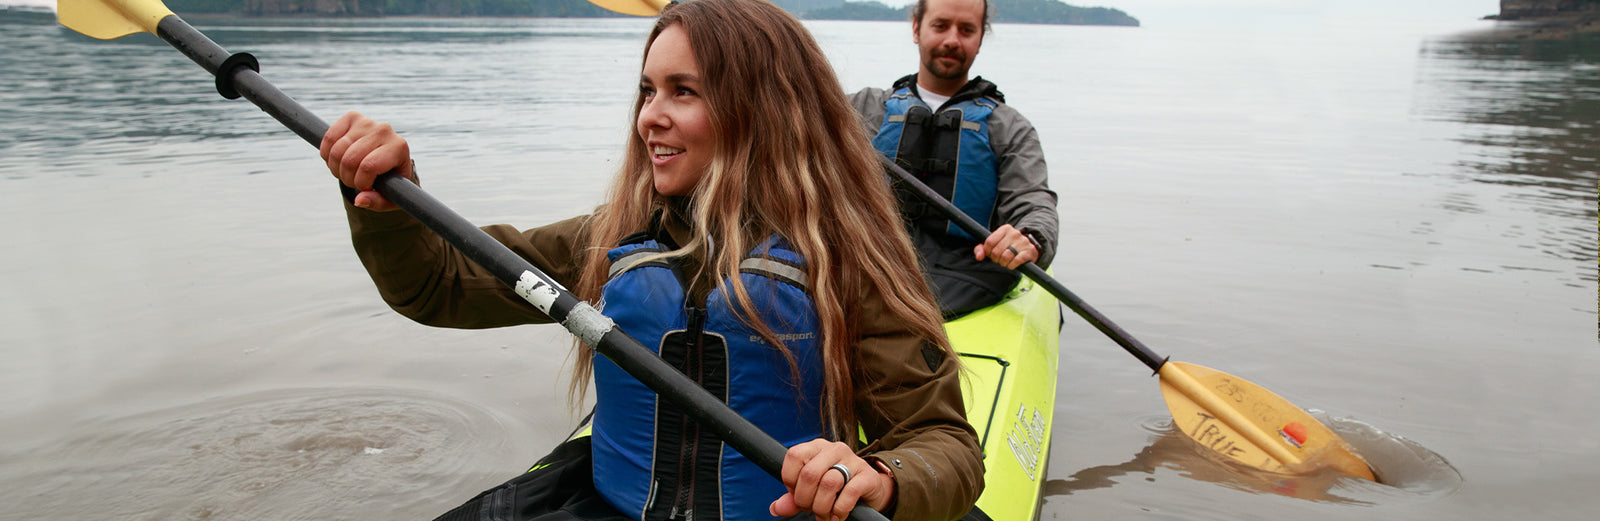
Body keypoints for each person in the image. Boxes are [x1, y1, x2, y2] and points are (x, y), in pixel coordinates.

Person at [318, 1, 982, 521]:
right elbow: (438, 285)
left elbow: (945, 444)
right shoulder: (611, 239)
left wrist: (881, 477)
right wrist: (385, 207)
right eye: (647, 90)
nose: (649, 118)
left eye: (682, 91)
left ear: (761, 110)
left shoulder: (848, 259)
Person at [850, 0, 1060, 318]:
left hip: (966, 276)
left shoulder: (1010, 128)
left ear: (980, 38)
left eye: (966, 30)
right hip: (870, 264)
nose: (952, 40)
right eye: (941, 25)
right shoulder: (860, 110)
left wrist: (1030, 237)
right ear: (916, 28)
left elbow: (1034, 203)